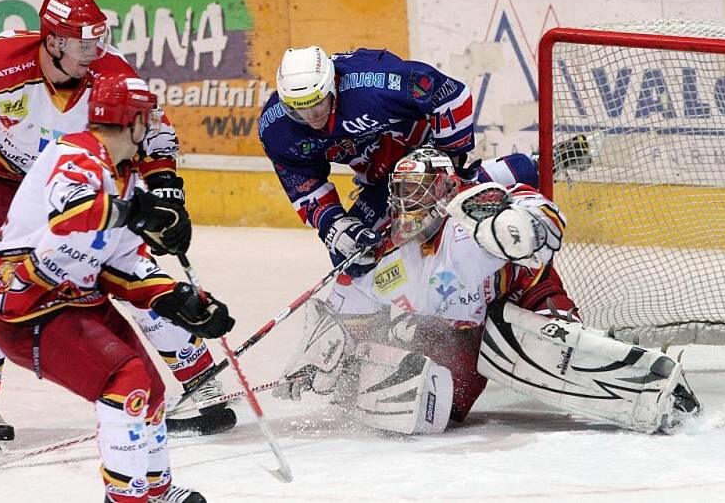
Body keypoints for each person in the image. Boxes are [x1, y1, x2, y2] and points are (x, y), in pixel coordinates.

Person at [274, 147, 701, 435]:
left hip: (523, 298)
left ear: (443, 190)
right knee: (436, 402)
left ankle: (643, 383)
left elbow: (539, 213)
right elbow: (346, 311)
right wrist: (317, 359)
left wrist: (523, 226)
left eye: (418, 192)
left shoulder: (473, 216)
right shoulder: (386, 256)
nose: (407, 204)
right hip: (460, 334)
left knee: (551, 345)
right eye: (401, 194)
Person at [0, 0, 233, 443]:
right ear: (53, 40)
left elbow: (153, 129)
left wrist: (168, 193)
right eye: (83, 43)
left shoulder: (110, 71)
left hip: (79, 181)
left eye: (98, 40)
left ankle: (202, 382)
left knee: (129, 266)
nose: (94, 52)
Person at [258, 45, 480, 277]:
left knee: (452, 224)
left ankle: (508, 173)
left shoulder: (374, 84)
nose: (311, 116)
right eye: (298, 109)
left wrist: (447, 165)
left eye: (317, 103)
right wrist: (335, 225)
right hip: (382, 180)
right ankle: (410, 297)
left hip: (422, 156)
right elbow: (302, 181)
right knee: (350, 257)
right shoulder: (276, 129)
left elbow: (449, 93)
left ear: (332, 85)